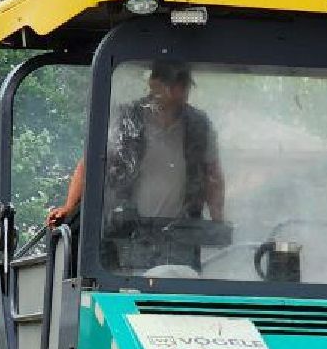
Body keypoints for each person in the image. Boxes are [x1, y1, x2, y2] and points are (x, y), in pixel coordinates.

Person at [46, 57, 225, 230]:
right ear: (154, 84)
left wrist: (218, 221)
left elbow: (213, 176)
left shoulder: (199, 126)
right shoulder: (127, 120)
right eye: (172, 83)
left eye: (183, 83)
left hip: (181, 233)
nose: (177, 91)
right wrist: (69, 207)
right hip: (125, 231)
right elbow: (90, 164)